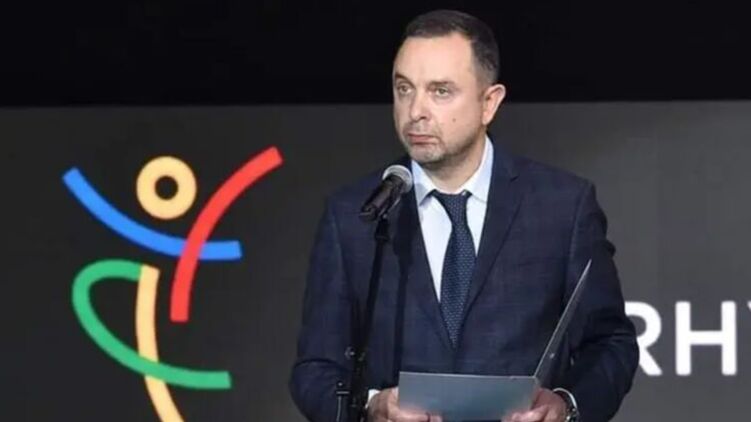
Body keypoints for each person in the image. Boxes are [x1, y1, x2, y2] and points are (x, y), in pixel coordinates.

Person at [290, 9, 638, 422]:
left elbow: (610, 343)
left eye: (440, 91)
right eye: (404, 88)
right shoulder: (356, 215)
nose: (415, 110)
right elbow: (315, 370)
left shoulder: (561, 206)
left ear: (489, 103)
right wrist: (372, 406)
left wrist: (565, 405)